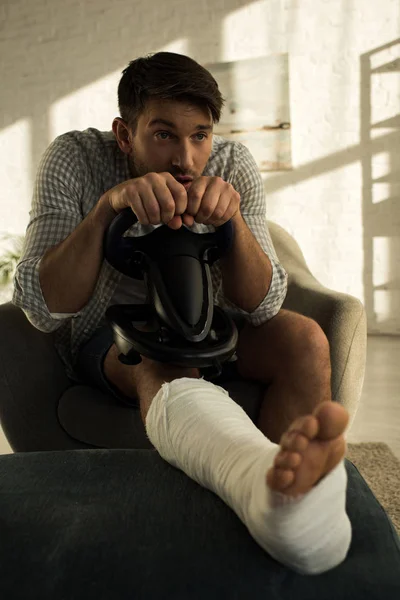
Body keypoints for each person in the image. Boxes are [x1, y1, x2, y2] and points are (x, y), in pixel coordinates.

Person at [13, 52, 351, 574]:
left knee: (304, 341)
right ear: (126, 135)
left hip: (216, 318)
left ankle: (287, 498)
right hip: (109, 332)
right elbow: (41, 309)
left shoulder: (232, 164)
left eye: (200, 135)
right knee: (162, 359)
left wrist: (232, 220)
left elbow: (262, 304)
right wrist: (108, 209)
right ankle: (254, 482)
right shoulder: (74, 159)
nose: (187, 159)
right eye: (165, 135)